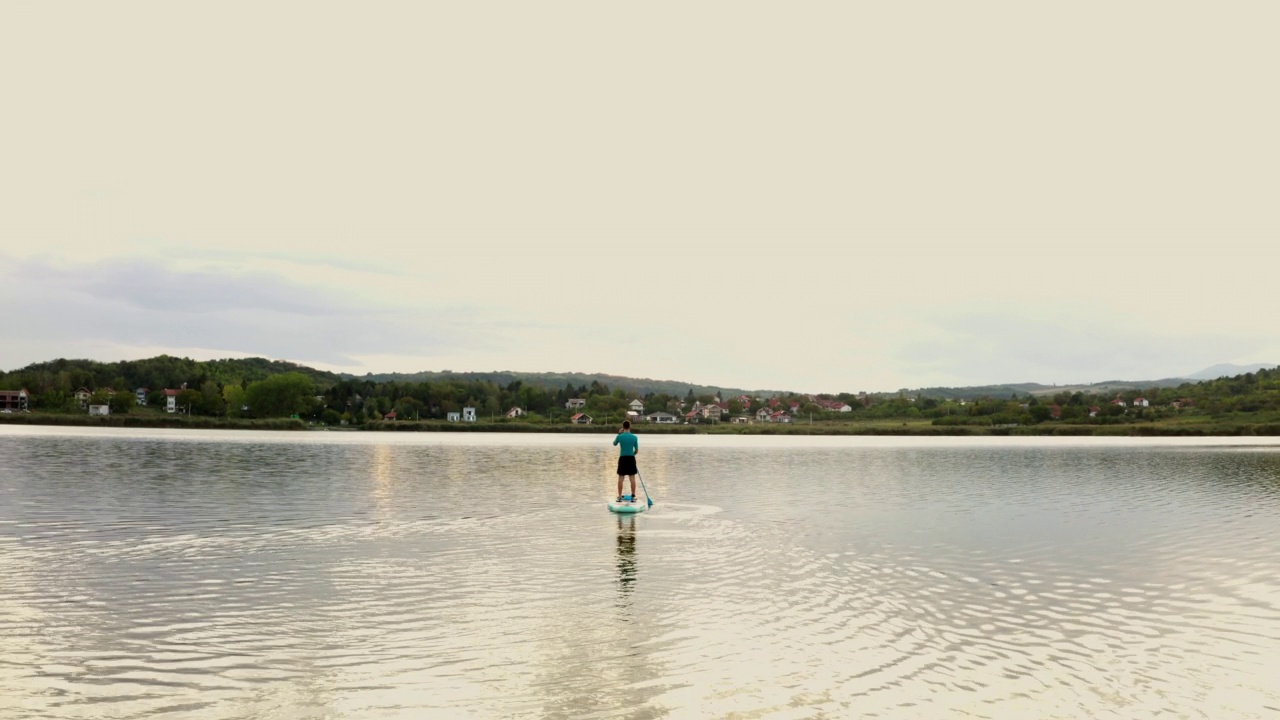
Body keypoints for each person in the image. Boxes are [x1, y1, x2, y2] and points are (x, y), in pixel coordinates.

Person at [613, 420, 640, 502]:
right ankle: (633, 495)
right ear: (630, 426)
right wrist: (632, 454)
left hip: (623, 458)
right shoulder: (634, 437)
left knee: (621, 477)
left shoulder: (620, 436)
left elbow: (614, 443)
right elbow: (636, 450)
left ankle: (620, 496)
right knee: (632, 477)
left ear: (623, 427)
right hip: (631, 458)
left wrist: (618, 433)